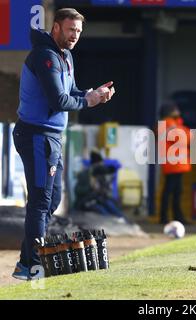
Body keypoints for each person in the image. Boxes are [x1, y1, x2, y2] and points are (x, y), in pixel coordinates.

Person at [12, 8, 116, 280]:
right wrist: (88, 101)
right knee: (40, 201)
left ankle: (27, 262)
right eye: (70, 30)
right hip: (36, 135)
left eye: (79, 32)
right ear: (56, 27)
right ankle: (32, 265)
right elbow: (58, 100)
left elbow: (70, 93)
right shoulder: (45, 56)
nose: (74, 36)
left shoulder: (65, 56)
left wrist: (93, 94)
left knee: (52, 199)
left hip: (51, 137)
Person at [157, 101, 192, 225]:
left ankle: (174, 217)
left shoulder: (173, 124)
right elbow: (185, 137)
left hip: (175, 164)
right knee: (171, 192)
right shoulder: (168, 124)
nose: (178, 111)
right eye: (175, 109)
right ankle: (166, 218)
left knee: (175, 191)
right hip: (173, 164)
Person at [74, 149, 127, 221]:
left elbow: (109, 173)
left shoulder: (99, 174)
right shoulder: (85, 175)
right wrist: (90, 187)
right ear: (94, 165)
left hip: (98, 199)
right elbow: (77, 190)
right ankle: (112, 223)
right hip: (86, 202)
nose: (100, 167)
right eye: (99, 165)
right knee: (104, 213)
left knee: (114, 208)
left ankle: (124, 221)